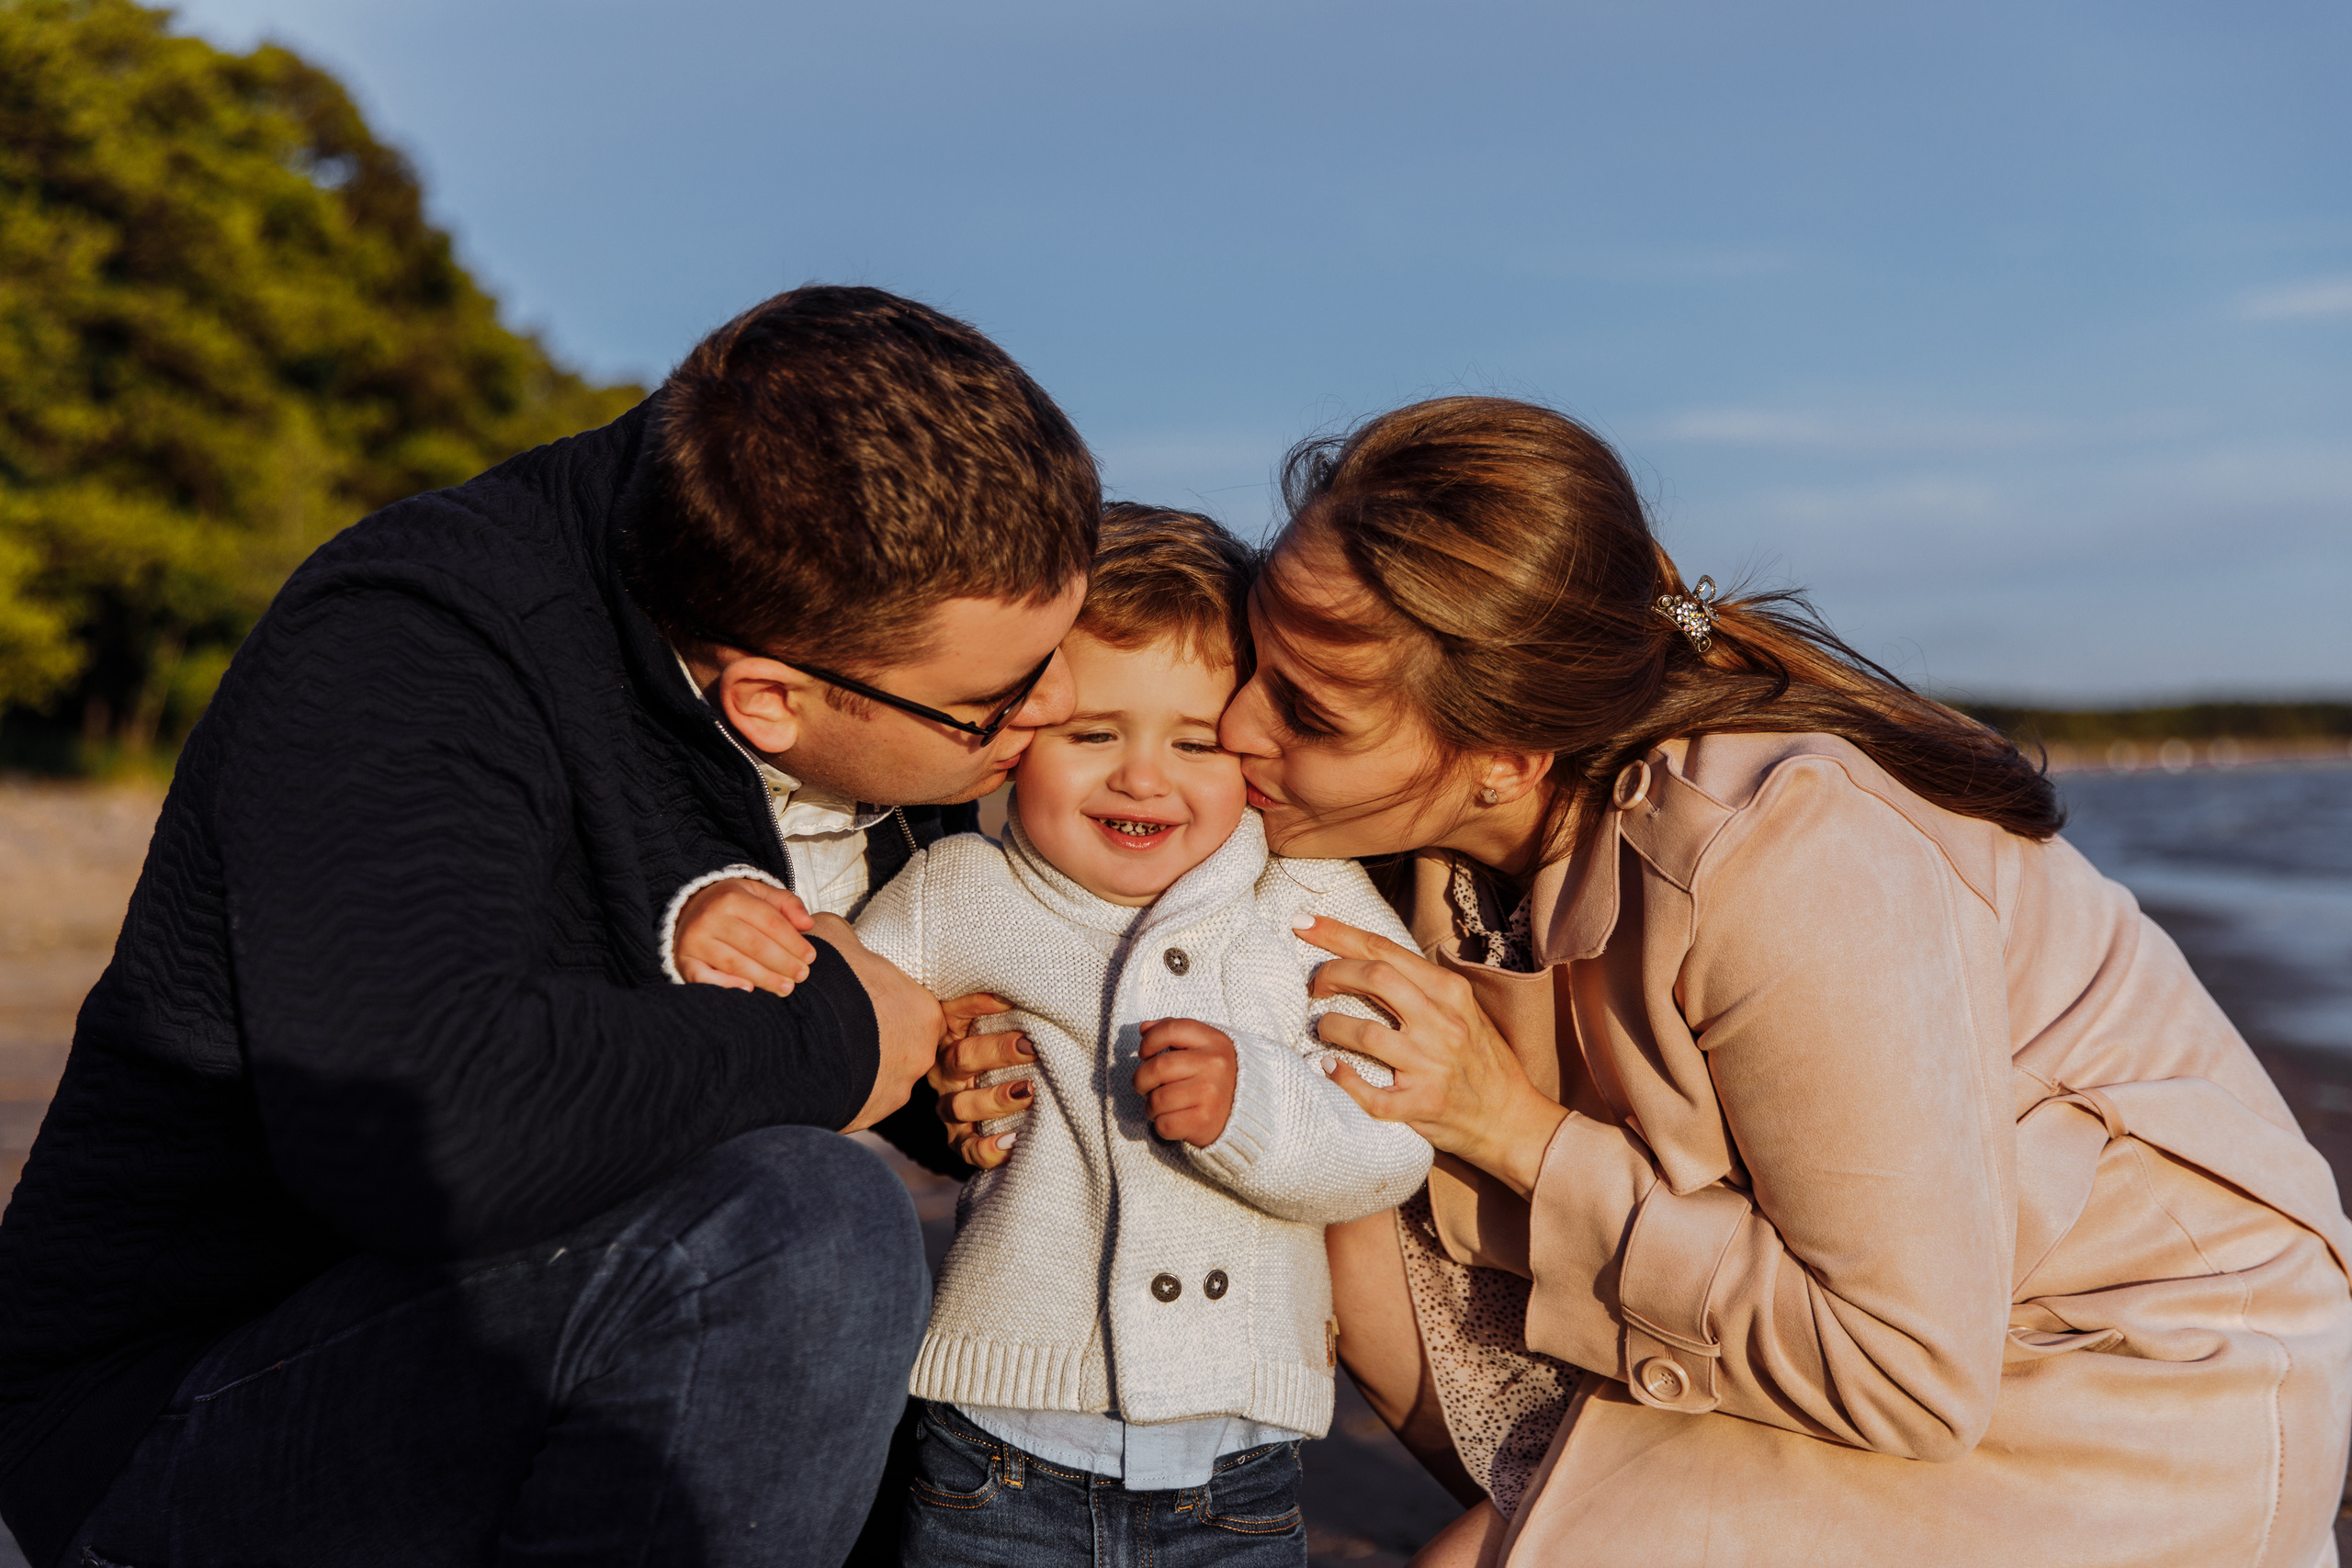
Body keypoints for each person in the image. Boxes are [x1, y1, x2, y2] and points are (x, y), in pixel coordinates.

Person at [944, 398, 2352, 1567]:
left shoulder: (1788, 856)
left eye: (1304, 710)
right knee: (1288, 1171)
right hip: (1799, 1316)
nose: (1234, 726)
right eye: (1257, 653)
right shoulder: (1414, 821)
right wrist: (982, 1041)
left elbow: (1905, 1367)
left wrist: (1514, 1130)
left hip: (2110, 1383)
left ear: (1505, 756)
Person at [0, 286, 1097, 1568]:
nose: (1055, 704)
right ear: (769, 698)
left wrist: (939, 1073)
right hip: (167, 1422)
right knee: (809, 1231)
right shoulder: (408, 651)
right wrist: (841, 1037)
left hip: (535, 1335)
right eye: (993, 706)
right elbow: (429, 1127)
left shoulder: (831, 630)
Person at [678, 504, 1431, 1567]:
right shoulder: (959, 889)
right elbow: (825, 1012)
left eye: (1197, 741)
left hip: (1237, 1477)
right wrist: (732, 929)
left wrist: (1254, 1106)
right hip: (994, 1456)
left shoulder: (1307, 902)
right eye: (1092, 734)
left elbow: (1392, 1144)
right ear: (1016, 742)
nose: (1141, 774)